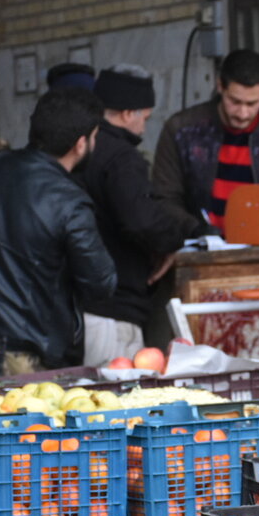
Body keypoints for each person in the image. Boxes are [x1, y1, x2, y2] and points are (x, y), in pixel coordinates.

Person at [0, 88, 116, 374]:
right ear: (81, 144)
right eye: (94, 137)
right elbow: (101, 283)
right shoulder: (68, 199)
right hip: (31, 352)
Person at [79, 65, 194, 366]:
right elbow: (142, 221)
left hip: (81, 306)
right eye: (145, 117)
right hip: (114, 310)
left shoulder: (79, 149)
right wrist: (178, 238)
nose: (144, 127)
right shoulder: (121, 159)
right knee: (118, 392)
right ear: (129, 114)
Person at [153, 48, 259, 237]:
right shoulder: (181, 131)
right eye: (235, 102)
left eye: (252, 104)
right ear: (220, 86)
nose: (243, 113)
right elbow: (165, 197)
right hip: (199, 246)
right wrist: (195, 229)